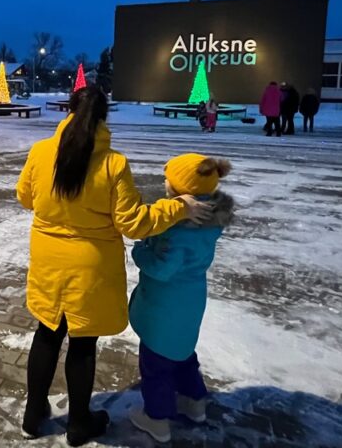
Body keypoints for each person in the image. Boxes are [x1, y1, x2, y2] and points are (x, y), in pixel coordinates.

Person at [15, 85, 211, 446]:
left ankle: (33, 413)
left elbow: (25, 197)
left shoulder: (41, 152)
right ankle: (78, 423)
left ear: (69, 111)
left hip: (47, 260)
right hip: (90, 268)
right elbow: (133, 223)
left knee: (47, 333)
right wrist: (179, 207)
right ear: (104, 116)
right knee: (82, 343)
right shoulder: (112, 163)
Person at [128, 154, 235, 444]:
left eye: (168, 180)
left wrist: (140, 252)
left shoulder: (176, 229)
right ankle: (195, 402)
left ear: (181, 191)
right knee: (184, 354)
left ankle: (157, 419)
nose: (164, 182)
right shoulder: (210, 222)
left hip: (164, 305)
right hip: (191, 299)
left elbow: (163, 268)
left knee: (155, 364)